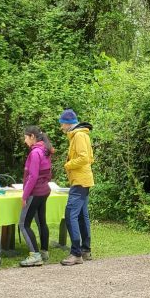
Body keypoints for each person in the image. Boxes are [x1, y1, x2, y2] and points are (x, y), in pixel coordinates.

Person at [58, 108, 95, 266]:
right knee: (81, 215)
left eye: (62, 124)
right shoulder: (82, 135)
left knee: (70, 214)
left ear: (68, 123)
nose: (61, 128)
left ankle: (76, 253)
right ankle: (85, 250)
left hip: (80, 181)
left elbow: (84, 158)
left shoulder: (79, 135)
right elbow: (91, 157)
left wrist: (68, 165)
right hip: (83, 180)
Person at [19, 126, 53, 267]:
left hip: (35, 192)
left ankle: (35, 255)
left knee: (23, 224)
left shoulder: (35, 153)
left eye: (26, 137)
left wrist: (24, 196)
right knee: (41, 222)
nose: (25, 140)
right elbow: (48, 173)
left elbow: (32, 177)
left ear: (32, 136)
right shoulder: (46, 150)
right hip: (44, 190)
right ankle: (44, 252)